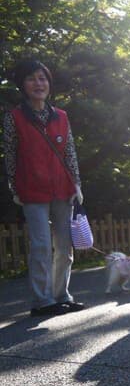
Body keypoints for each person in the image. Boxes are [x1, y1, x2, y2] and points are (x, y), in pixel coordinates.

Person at [3, 59, 85, 317]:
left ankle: (62, 294)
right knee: (40, 245)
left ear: (49, 83)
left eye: (42, 78)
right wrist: (14, 186)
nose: (38, 84)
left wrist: (77, 184)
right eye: (31, 78)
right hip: (32, 190)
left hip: (62, 187)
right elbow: (11, 155)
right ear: (22, 84)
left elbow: (69, 152)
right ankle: (42, 299)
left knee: (64, 245)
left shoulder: (61, 116)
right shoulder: (13, 118)